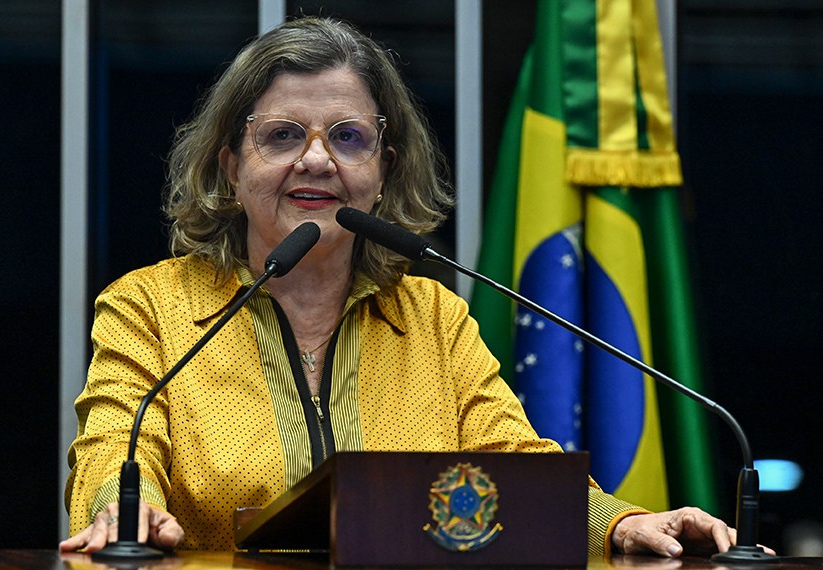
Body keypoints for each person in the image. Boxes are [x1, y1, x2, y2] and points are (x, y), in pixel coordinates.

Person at [60, 15, 743, 558]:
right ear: (231, 165)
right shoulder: (150, 307)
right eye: (284, 135)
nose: (317, 159)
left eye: (348, 137)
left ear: (383, 170)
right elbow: (115, 447)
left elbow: (516, 468)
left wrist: (620, 523)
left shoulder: (434, 317)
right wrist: (124, 509)